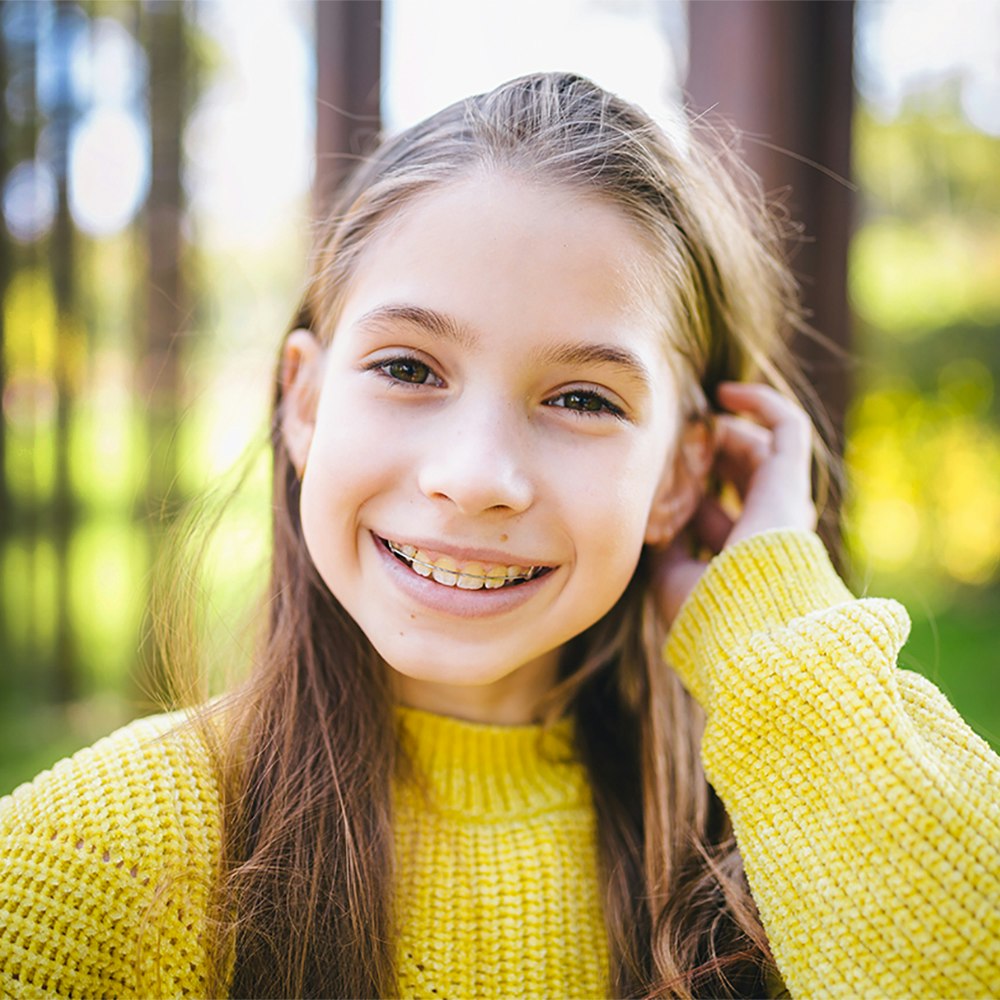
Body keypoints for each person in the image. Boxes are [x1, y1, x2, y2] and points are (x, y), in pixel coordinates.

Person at [1, 72, 997, 1000]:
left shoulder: (791, 823)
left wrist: (776, 640)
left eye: (580, 396)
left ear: (681, 474)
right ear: (301, 400)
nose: (474, 477)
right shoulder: (105, 854)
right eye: (407, 368)